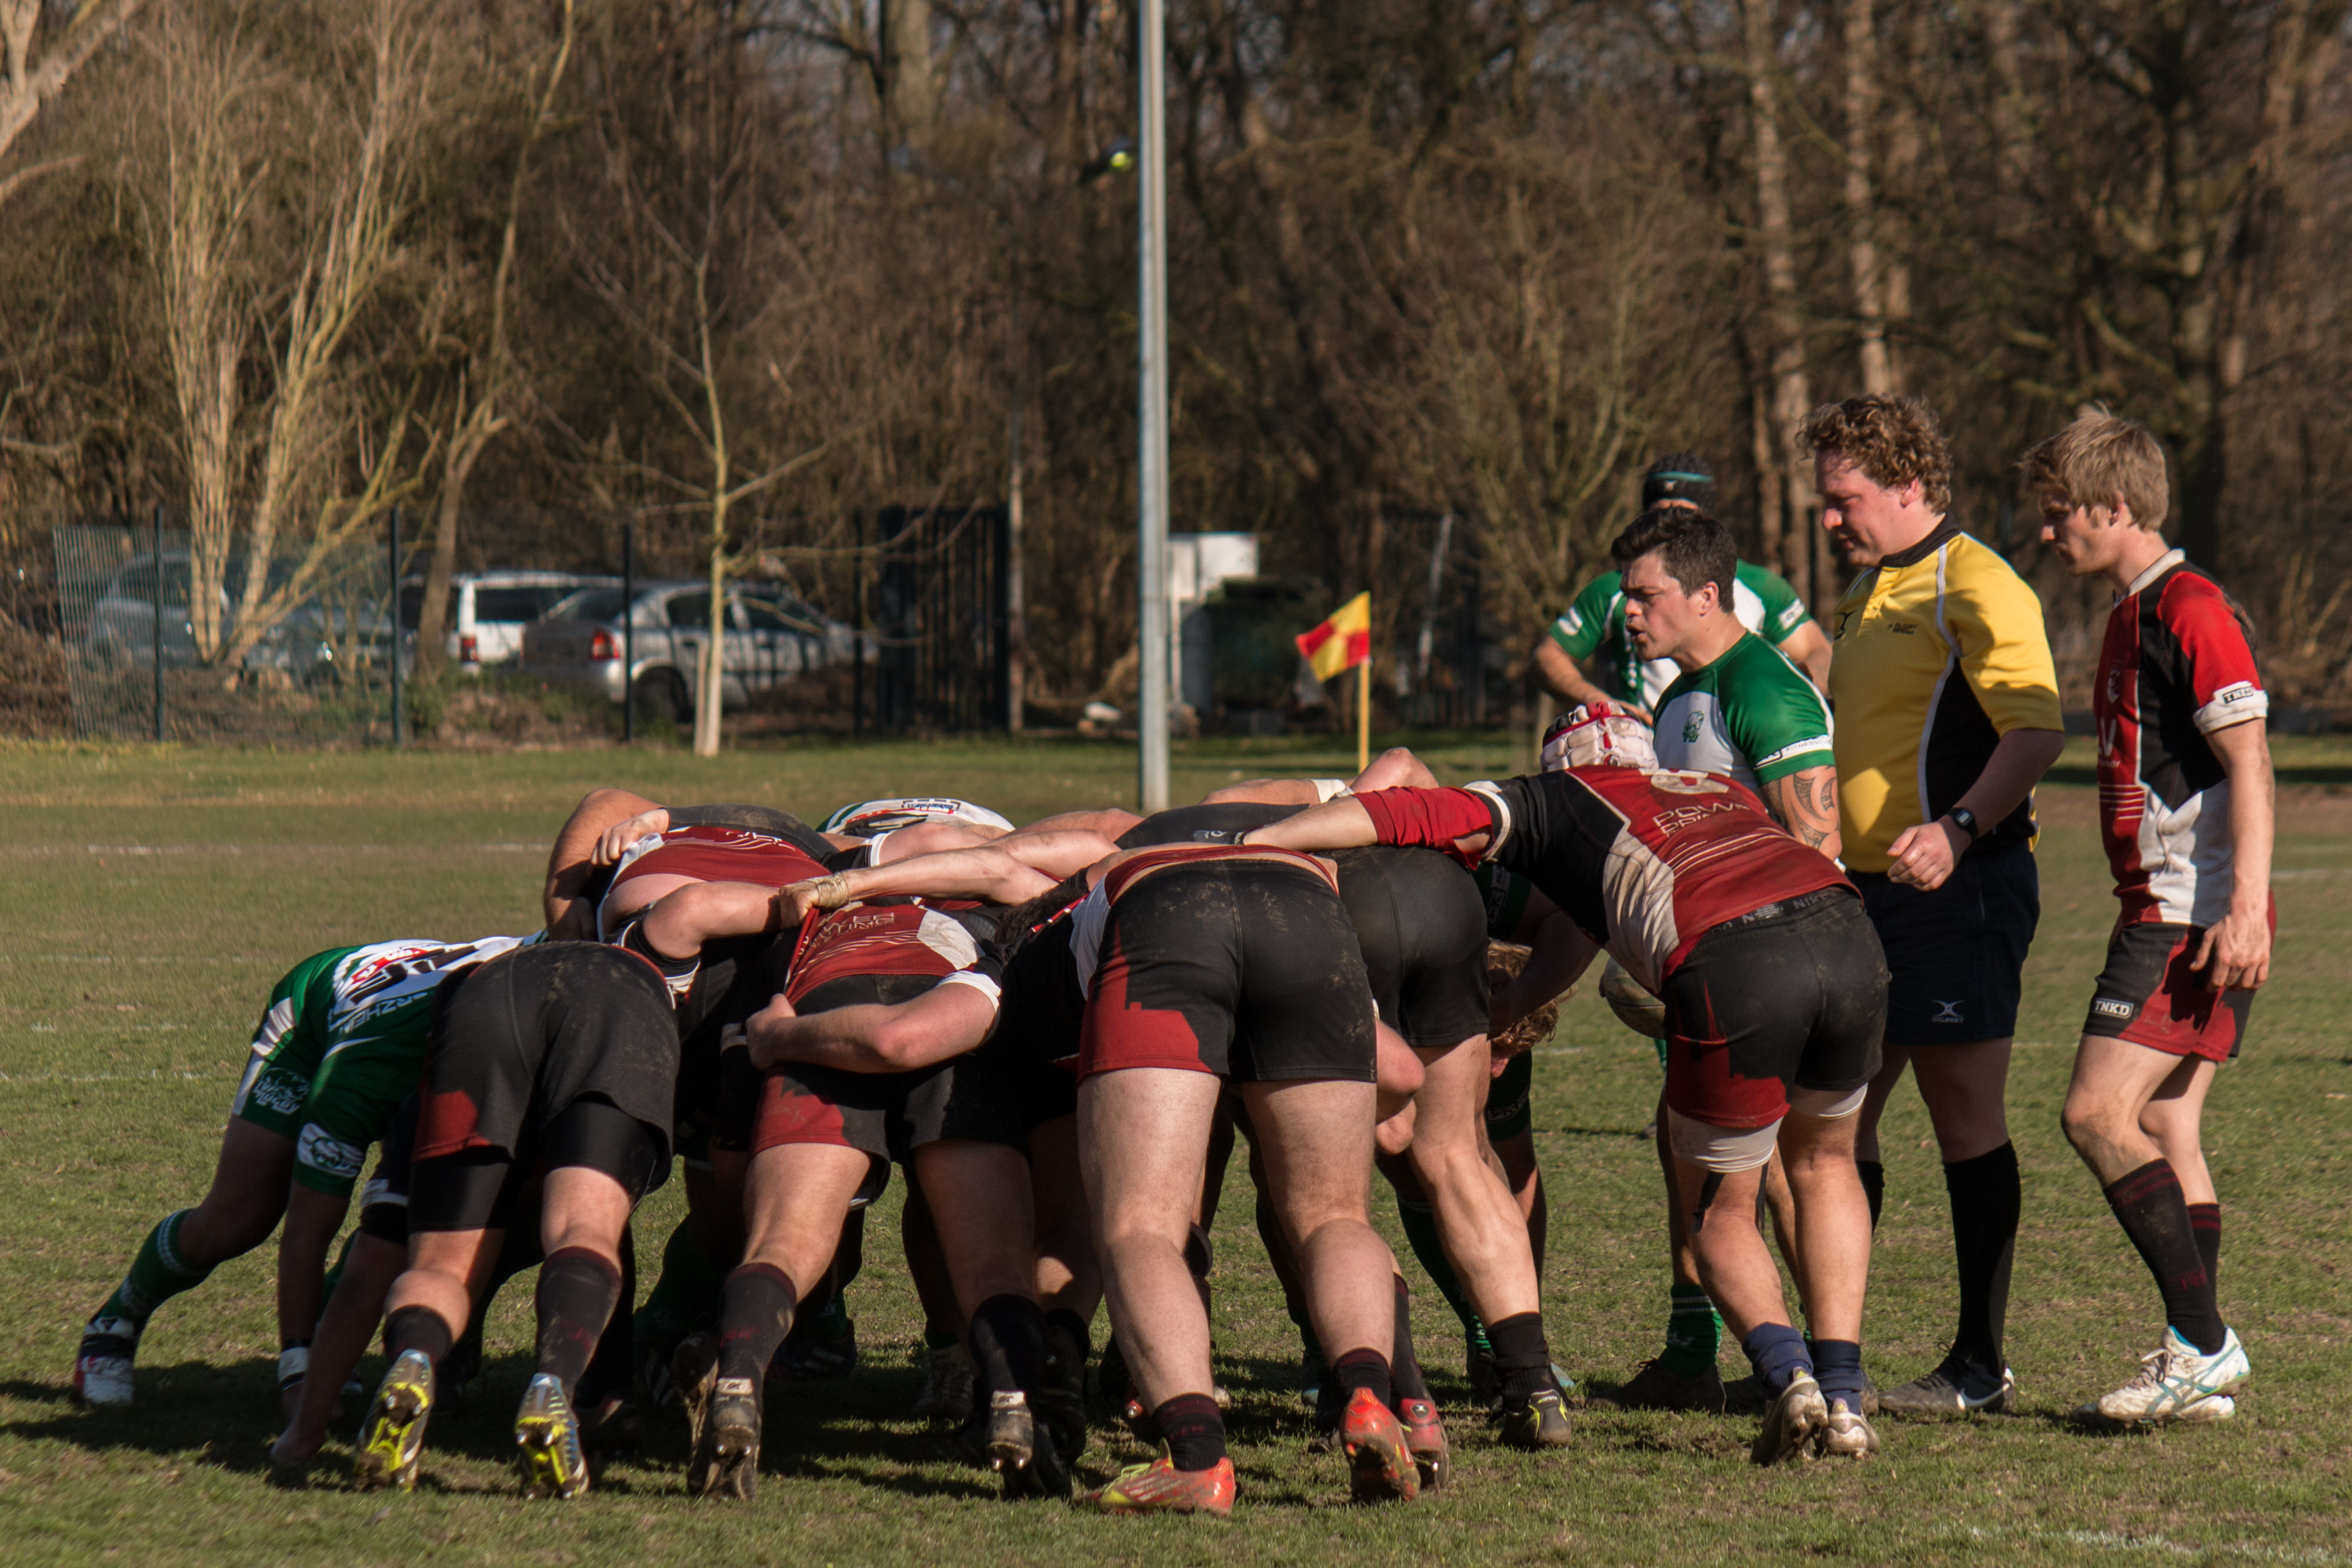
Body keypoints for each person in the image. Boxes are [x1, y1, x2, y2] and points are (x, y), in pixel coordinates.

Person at [1245, 706, 1889, 1464]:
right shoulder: (1719, 788)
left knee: (1719, 1215)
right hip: (1849, 934)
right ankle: (1845, 1393)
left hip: (1734, 957)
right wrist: (1526, 996)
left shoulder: (1556, 800)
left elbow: (1407, 808)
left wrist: (1264, 842)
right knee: (1826, 1163)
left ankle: (1791, 1378)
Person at [1803, 393, 2067, 1418]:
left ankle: (1978, 1364)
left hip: (1962, 889)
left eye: (1844, 498)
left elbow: (2035, 732)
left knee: (1962, 1118)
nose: (1830, 518)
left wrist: (1956, 828)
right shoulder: (1868, 589)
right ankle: (1834, 1358)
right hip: (1863, 894)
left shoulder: (1976, 580)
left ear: (1907, 485)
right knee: (1835, 1117)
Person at [2025, 412, 2270, 1425]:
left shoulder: (2187, 605)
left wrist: (2243, 909)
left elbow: (2248, 759)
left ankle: (2203, 1344)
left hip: (2186, 916)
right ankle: (2194, 1360)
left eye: (2059, 514)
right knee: (2165, 1123)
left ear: (2115, 507)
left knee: (2093, 1114)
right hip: (2170, 907)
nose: (2046, 532)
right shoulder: (2133, 610)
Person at [71, 937, 530, 1413]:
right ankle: (116, 1322)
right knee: (239, 1218)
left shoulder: (533, 1002)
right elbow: (306, 1232)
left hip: (430, 1035)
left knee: (419, 1212)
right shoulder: (364, 1073)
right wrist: (299, 1371)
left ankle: (336, 1326)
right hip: (318, 1016)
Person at [1601, 505, 1841, 1412]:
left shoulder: (1765, 689)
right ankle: (1698, 1353)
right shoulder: (1675, 700)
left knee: (1778, 1171)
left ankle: (1822, 1369)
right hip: (1703, 964)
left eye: (1644, 594)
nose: (1627, 612)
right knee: (1690, 1149)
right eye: (1624, 595)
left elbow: (1817, 849)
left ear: (1705, 594)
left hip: (1769, 966)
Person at [1533, 453, 1831, 720]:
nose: (1671, 527)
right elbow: (1548, 656)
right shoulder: (1616, 588)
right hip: (1644, 747)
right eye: (1659, 516)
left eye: (1684, 515)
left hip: (1730, 744)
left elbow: (1820, 654)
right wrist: (1599, 704)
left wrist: (1779, 693)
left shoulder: (1760, 587)